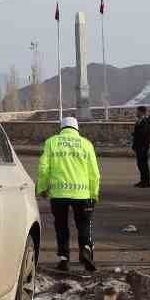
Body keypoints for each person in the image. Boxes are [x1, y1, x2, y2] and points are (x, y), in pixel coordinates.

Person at [35, 116, 101, 273]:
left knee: (61, 226)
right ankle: (85, 250)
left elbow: (44, 167)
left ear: (62, 128)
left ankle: (64, 259)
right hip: (82, 193)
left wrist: (43, 188)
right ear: (77, 128)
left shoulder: (52, 142)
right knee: (83, 224)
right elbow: (94, 173)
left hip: (59, 193)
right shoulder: (86, 144)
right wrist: (94, 194)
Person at [130, 106, 150, 188]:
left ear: (141, 112)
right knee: (140, 164)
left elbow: (143, 134)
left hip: (142, 147)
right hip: (139, 146)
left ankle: (146, 182)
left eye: (137, 111)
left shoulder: (145, 121)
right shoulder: (140, 120)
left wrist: (136, 134)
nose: (136, 113)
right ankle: (143, 181)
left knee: (143, 165)